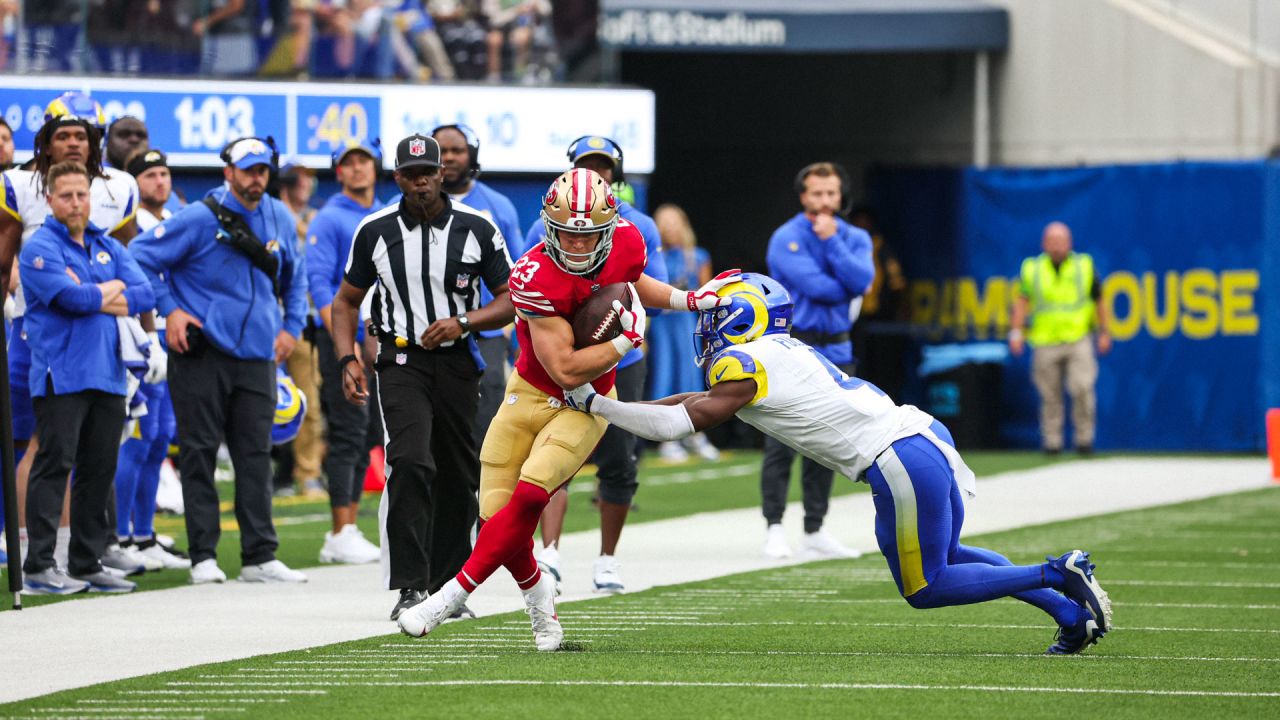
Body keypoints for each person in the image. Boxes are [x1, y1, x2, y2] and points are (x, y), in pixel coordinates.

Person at [560, 273, 1115, 656]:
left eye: (713, 313)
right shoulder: (775, 353)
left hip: (895, 456)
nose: (704, 324)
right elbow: (684, 403)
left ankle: (1056, 573)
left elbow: (679, 425)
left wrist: (596, 404)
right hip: (920, 436)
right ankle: (1071, 616)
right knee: (951, 555)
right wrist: (611, 410)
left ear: (732, 318)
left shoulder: (743, 361)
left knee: (927, 585)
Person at [395, 166, 738, 649]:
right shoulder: (533, 273)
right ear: (549, 228)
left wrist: (687, 299)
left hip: (588, 404)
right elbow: (565, 369)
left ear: (607, 228)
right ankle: (544, 611)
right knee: (496, 522)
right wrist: (626, 342)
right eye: (567, 237)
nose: (577, 247)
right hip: (534, 390)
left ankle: (447, 595)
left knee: (532, 496)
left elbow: (634, 281)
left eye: (588, 237)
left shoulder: (627, 241)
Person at [330, 134, 514, 621]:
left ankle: (448, 588)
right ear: (398, 178)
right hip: (401, 361)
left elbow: (509, 298)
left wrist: (465, 321)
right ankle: (411, 586)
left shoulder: (478, 228)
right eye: (411, 175)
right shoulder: (375, 230)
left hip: (456, 361)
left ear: (441, 173)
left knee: (458, 471)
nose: (421, 182)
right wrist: (347, 360)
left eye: (428, 172)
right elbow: (346, 301)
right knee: (411, 462)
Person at [129, 136, 310, 585]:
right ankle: (203, 557)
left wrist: (292, 326)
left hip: (258, 353)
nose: (256, 179)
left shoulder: (279, 215)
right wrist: (169, 308)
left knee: (255, 454)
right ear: (228, 172)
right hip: (202, 351)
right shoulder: (196, 218)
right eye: (248, 170)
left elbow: (297, 275)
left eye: (263, 170)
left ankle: (259, 557)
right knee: (199, 452)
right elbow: (139, 256)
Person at [0, 92, 145, 575]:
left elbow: (140, 283)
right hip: (36, 335)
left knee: (97, 453)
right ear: (45, 140)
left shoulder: (117, 189)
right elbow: (16, 268)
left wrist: (140, 325)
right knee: (37, 446)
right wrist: (104, 293)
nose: (72, 144)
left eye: (80, 135)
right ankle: (30, 548)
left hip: (105, 345)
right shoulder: (20, 186)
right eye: (62, 135)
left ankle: (83, 551)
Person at [523, 135, 667, 596]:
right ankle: (549, 553)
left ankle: (607, 559)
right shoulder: (543, 223)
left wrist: (613, 318)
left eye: (603, 167)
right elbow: (531, 298)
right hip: (564, 358)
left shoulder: (637, 226)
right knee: (552, 454)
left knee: (620, 458)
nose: (596, 175)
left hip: (624, 357)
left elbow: (649, 294)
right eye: (587, 166)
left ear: (616, 173)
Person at [20, 161, 155, 594]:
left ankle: (85, 561)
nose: (76, 203)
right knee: (54, 465)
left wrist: (97, 293)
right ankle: (39, 564)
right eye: (66, 196)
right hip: (62, 373)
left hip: (110, 372)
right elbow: (70, 298)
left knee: (99, 470)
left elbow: (144, 294)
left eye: (82, 194)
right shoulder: (39, 246)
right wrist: (109, 291)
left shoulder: (106, 244)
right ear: (50, 200)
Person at [761, 162, 873, 561]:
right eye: (817, 193)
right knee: (779, 442)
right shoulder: (786, 238)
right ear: (803, 196)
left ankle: (815, 528)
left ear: (840, 196)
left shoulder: (854, 236)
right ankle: (774, 526)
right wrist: (841, 274)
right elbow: (819, 288)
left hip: (838, 350)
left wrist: (833, 244)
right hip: (792, 345)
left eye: (832, 193)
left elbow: (863, 282)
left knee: (827, 442)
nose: (825, 201)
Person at [305, 139, 386, 565]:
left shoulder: (384, 212)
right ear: (339, 172)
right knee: (349, 431)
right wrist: (345, 344)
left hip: (378, 338)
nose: (357, 169)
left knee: (369, 432)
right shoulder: (332, 217)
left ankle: (349, 527)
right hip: (345, 340)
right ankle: (341, 530)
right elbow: (319, 284)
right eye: (348, 163)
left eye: (363, 162)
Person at [109, 148, 190, 570]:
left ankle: (143, 534)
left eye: (164, 173)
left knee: (159, 438)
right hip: (142, 337)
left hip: (168, 339)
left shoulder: (170, 221)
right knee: (138, 438)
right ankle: (121, 535)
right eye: (150, 175)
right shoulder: (129, 224)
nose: (160, 181)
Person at [430, 123, 522, 447]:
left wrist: (510, 331)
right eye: (443, 151)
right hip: (430, 327)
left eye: (458, 151)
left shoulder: (499, 207)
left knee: (486, 419)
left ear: (473, 155)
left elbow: (519, 274)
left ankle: (484, 494)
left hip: (486, 330)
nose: (450, 158)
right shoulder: (414, 205)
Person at [1009, 221, 1112, 455]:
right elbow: (1022, 302)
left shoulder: (1084, 265)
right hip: (1045, 339)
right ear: (1044, 243)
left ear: (1069, 243)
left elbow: (1099, 299)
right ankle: (1052, 442)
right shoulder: (1032, 268)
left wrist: (1104, 331)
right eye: (1052, 241)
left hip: (1078, 337)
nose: (1056, 245)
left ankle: (1084, 440)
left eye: (1061, 240)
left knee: (1082, 387)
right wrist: (1016, 332)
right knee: (1049, 394)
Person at [648, 203, 718, 463]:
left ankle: (695, 434)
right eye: (663, 222)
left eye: (674, 221)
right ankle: (667, 438)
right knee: (664, 376)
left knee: (690, 377)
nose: (669, 227)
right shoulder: (652, 257)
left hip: (686, 323)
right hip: (661, 324)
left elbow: (707, 296)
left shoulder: (697, 256)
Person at [276, 158, 326, 498]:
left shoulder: (313, 219)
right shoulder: (268, 212)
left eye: (309, 179)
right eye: (298, 179)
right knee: (261, 400)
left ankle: (307, 472)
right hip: (267, 319)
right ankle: (274, 473)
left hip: (303, 321)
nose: (304, 185)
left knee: (308, 399)